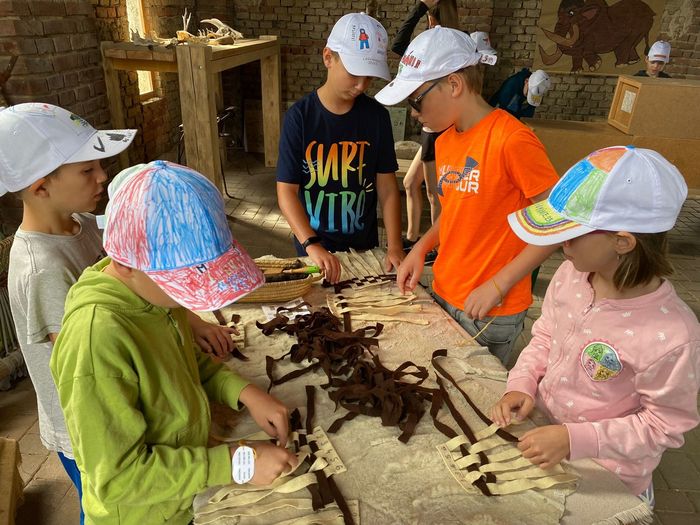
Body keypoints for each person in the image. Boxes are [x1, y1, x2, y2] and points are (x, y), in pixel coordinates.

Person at [50, 160, 298, 524]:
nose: (188, 299)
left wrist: (243, 391)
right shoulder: (95, 342)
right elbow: (118, 479)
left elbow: (184, 363)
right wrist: (235, 463)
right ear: (125, 263)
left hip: (181, 495)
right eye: (182, 283)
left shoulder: (156, 299)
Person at [490, 146, 700, 508]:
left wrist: (575, 439)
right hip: (546, 438)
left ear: (622, 241)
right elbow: (545, 338)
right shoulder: (570, 276)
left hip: (608, 477)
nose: (562, 244)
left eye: (572, 234)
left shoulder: (673, 336)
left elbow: (664, 425)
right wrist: (521, 384)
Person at [377, 27, 559, 365]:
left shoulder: (512, 140)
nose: (413, 112)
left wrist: (499, 285)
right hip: (445, 291)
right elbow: (455, 212)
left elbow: (560, 222)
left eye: (416, 100)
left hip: (491, 309)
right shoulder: (446, 141)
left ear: (454, 85)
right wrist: (421, 247)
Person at [0, 102, 137, 524]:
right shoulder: (42, 269)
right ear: (41, 187)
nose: (103, 177)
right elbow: (86, 361)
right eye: (88, 170)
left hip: (116, 396)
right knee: (107, 510)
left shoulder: (82, 224)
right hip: (88, 426)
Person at [276, 12, 404, 283]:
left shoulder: (377, 118)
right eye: (354, 73)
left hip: (364, 247)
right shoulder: (300, 118)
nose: (361, 85)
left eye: (369, 77)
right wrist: (311, 243)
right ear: (328, 58)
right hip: (312, 246)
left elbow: (387, 187)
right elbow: (286, 191)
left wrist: (394, 245)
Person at [391, 0, 459, 261]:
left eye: (429, 16)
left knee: (434, 194)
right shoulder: (435, 44)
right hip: (429, 128)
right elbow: (399, 46)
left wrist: (419, 8)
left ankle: (437, 247)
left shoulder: (444, 47)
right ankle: (412, 238)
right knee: (410, 183)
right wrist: (421, 8)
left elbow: (399, 45)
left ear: (432, 18)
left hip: (438, 128)